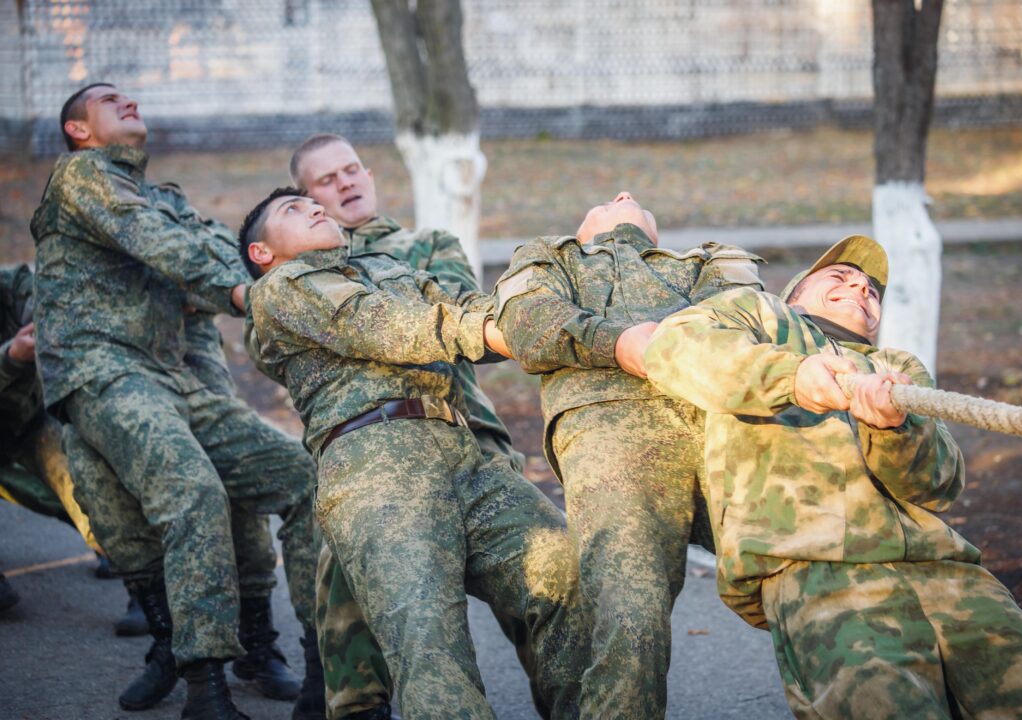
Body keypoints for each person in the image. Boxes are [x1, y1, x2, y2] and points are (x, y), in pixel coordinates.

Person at [643, 235, 1022, 718]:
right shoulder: (758, 318)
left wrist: (892, 428)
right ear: (794, 294)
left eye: (871, 290)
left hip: (949, 572)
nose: (860, 288)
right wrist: (794, 377)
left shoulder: (896, 367)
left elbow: (937, 485)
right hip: (818, 571)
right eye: (839, 276)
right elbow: (674, 348)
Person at [31, 83, 320, 720]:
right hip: (102, 368)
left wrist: (249, 281)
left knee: (302, 476)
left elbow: (211, 248)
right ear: (78, 129)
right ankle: (203, 686)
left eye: (129, 96)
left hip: (173, 374)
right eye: (108, 99)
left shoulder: (162, 198)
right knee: (187, 493)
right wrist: (248, 295)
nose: (128, 101)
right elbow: (164, 247)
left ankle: (323, 664)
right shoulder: (82, 176)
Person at [242, 188, 584, 719]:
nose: (314, 207)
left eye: (314, 204)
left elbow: (464, 304)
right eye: (293, 209)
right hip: (375, 466)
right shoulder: (279, 290)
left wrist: (542, 303)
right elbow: (383, 325)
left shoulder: (384, 267)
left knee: (565, 571)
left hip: (463, 453)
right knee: (431, 647)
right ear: (262, 252)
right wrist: (495, 329)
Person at [290, 132, 535, 720]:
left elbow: (457, 309)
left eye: (352, 170)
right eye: (326, 180)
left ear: (370, 175)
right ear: (306, 200)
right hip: (368, 445)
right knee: (343, 552)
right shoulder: (299, 274)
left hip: (463, 427)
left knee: (538, 571)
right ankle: (350, 699)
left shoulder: (426, 244)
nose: (346, 183)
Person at [493, 192, 762, 717]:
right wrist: (620, 343)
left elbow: (742, 323)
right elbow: (529, 324)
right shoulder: (551, 257)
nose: (624, 196)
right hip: (611, 439)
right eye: (609, 198)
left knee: (817, 577)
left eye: (633, 197)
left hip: (727, 428)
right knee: (630, 623)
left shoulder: (711, 258)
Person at [0, 262, 104, 616]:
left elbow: (52, 304)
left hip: (29, 419)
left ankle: (129, 568)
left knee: (79, 482)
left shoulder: (15, 285)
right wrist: (10, 358)